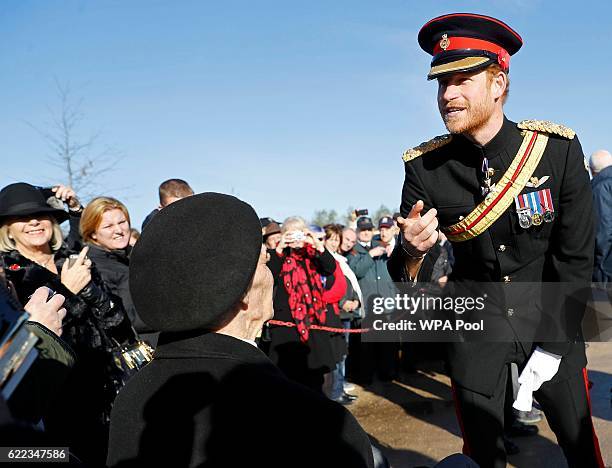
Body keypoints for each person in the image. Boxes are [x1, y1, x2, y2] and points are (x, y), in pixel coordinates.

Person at [388, 13, 604, 468]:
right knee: (480, 457)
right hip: (473, 328)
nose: (448, 95)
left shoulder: (555, 150)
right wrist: (412, 251)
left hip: (550, 321)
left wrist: (553, 342)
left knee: (581, 450)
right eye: (441, 84)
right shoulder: (424, 167)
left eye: (462, 79)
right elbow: (411, 282)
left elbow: (576, 257)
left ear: (498, 83)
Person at [106, 193, 375, 468]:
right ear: (243, 291)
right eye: (263, 261)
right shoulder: (307, 421)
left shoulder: (132, 399)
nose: (271, 270)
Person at [0, 182, 132, 465]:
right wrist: (66, 290)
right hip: (58, 400)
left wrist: (91, 292)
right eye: (22, 218)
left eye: (41, 214)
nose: (34, 221)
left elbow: (118, 323)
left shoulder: (73, 259)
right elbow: (32, 338)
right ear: (7, 229)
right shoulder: (11, 276)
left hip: (108, 390)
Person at [265, 216, 339, 392]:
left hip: (314, 324)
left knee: (318, 376)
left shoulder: (312, 255)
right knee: (290, 377)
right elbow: (270, 276)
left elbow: (330, 268)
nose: (296, 239)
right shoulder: (278, 257)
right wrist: (281, 247)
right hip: (287, 330)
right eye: (291, 234)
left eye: (299, 233)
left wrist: (317, 244)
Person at [81, 196, 157, 345]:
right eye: (108, 226)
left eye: (122, 222)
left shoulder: (131, 256)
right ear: (93, 234)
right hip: (143, 347)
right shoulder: (95, 268)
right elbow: (128, 317)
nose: (119, 230)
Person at [348, 216, 398, 384]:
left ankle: (388, 373)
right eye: (363, 230)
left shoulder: (381, 246)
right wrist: (370, 255)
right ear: (357, 232)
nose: (366, 233)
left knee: (387, 343)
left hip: (386, 303)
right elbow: (356, 271)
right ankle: (366, 377)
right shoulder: (353, 250)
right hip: (367, 306)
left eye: (369, 230)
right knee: (366, 346)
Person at [590, 150, 612, 284]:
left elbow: (603, 231)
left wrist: (600, 265)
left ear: (592, 170)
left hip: (606, 267)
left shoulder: (600, 187)